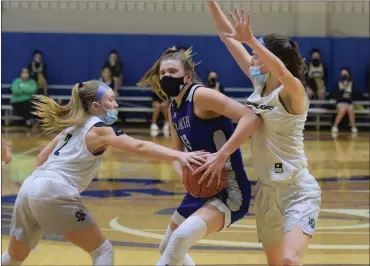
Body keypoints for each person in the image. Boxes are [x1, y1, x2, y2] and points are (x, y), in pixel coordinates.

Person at [1, 80, 208, 266]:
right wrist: (179, 155)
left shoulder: (71, 128)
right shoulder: (98, 129)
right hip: (54, 189)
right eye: (111, 100)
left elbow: (40, 160)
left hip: (29, 188)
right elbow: (139, 147)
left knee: (13, 258)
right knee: (103, 252)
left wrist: (41, 192)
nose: (116, 105)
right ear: (96, 106)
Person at [204, 2, 321, 266]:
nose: (253, 58)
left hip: (296, 189)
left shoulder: (293, 91)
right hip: (267, 191)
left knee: (291, 260)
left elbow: (281, 71)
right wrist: (211, 3)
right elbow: (227, 37)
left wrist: (253, 43)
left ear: (270, 57)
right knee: (276, 263)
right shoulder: (259, 84)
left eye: (258, 54)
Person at [137, 47, 261, 266]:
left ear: (186, 76)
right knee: (166, 246)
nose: (166, 76)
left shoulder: (201, 96)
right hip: (201, 187)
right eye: (163, 72)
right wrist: (187, 173)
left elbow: (250, 118)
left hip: (229, 188)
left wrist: (222, 155)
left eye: (172, 71)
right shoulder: (173, 106)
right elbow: (177, 155)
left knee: (180, 238)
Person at [331, 67, 358, 133]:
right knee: (343, 109)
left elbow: (353, 96)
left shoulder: (352, 84)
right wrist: (343, 88)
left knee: (350, 109)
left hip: (349, 102)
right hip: (340, 102)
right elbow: (337, 97)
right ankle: (335, 126)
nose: (344, 76)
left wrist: (349, 103)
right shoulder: (338, 84)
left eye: (346, 74)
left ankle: (353, 127)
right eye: (343, 74)